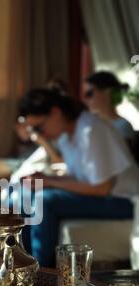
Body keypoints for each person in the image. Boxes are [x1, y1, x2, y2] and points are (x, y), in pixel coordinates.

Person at [17, 88, 139, 267]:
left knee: (45, 200)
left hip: (123, 199)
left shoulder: (91, 129)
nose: (39, 135)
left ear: (56, 112)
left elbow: (102, 187)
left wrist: (50, 182)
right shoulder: (67, 137)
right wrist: (45, 180)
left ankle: (40, 271)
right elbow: (79, 179)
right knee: (26, 193)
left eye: (39, 127)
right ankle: (22, 264)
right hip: (105, 195)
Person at [85, 71, 135, 142]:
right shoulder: (92, 126)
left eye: (89, 94)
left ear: (106, 92)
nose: (86, 99)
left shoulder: (123, 126)